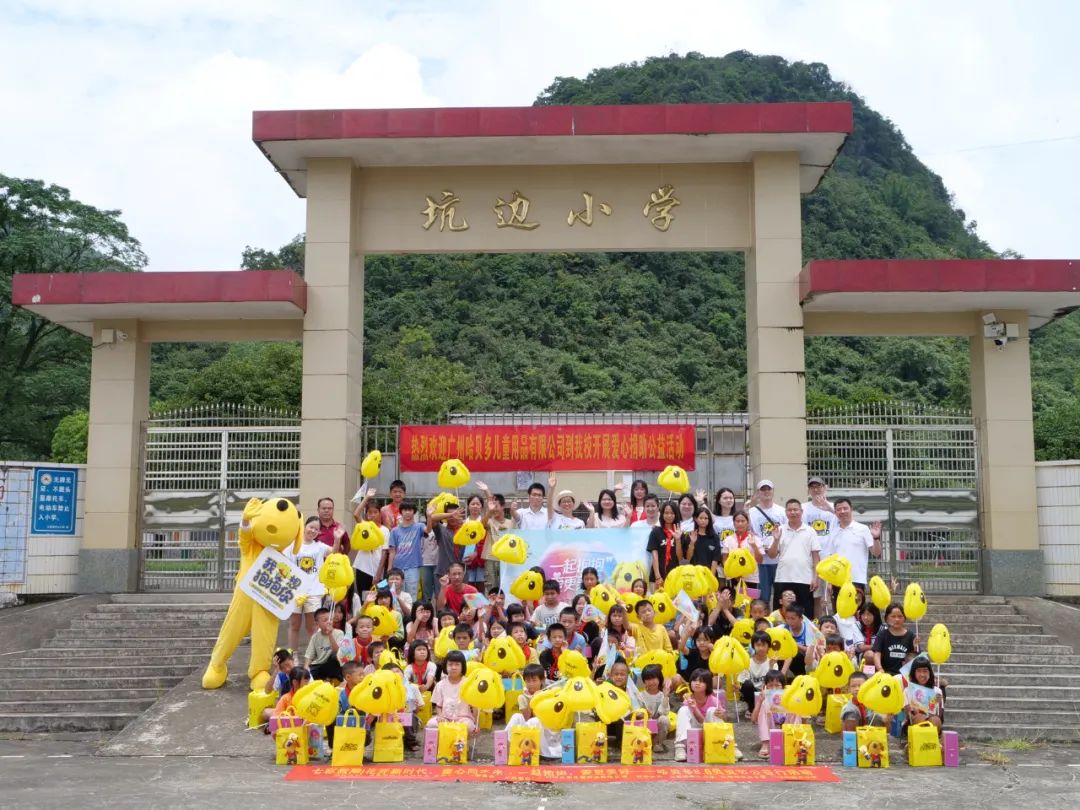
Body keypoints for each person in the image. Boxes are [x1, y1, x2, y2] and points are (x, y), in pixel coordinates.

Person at [766, 499, 821, 619]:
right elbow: (771, 555)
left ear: (801, 511)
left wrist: (815, 577)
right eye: (790, 510)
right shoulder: (779, 530)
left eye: (795, 509)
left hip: (804, 579)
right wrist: (775, 540)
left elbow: (816, 558)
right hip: (783, 578)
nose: (793, 512)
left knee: (805, 615)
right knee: (781, 615)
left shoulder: (810, 531)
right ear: (786, 513)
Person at [505, 662, 563, 759]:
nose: (531, 684)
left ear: (542, 680)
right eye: (528, 681)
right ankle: (506, 748)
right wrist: (531, 700)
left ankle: (542, 753)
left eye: (534, 680)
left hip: (546, 729)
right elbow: (526, 718)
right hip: (529, 727)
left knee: (536, 721)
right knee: (516, 716)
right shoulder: (522, 697)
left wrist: (539, 698)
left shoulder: (548, 694)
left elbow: (545, 717)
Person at [289, 516, 329, 653]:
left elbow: (334, 552)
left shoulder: (320, 547)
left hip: (314, 592)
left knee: (312, 627)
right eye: (311, 527)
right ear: (304, 526)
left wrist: (338, 538)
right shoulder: (293, 545)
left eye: (316, 529)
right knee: (294, 625)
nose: (313, 531)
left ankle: (312, 655)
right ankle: (293, 655)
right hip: (295, 592)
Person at [802, 478, 838, 618]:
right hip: (811, 559)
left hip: (830, 558)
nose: (816, 489)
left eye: (819, 486)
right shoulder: (804, 508)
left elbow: (845, 521)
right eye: (813, 487)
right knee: (816, 596)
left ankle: (833, 626)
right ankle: (818, 625)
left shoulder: (834, 507)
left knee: (830, 595)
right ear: (809, 490)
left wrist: (828, 508)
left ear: (825, 487)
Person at [831, 498, 882, 591]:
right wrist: (829, 582)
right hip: (837, 581)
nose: (842, 511)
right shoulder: (832, 532)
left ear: (851, 509)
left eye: (845, 508)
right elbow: (831, 558)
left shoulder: (863, 529)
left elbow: (876, 553)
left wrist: (876, 538)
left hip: (856, 580)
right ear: (835, 512)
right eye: (839, 509)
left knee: (857, 606)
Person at [746, 480, 785, 606]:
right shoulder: (751, 512)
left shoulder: (781, 511)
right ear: (758, 493)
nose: (766, 492)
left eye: (769, 489)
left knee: (780, 596)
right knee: (762, 597)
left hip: (778, 560)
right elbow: (748, 532)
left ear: (773, 491)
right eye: (763, 489)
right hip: (760, 560)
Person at [674, 668, 722, 762]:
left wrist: (720, 715)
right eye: (694, 680)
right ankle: (680, 747)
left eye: (701, 681)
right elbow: (697, 722)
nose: (697, 683)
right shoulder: (688, 699)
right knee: (683, 710)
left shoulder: (714, 700)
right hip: (692, 736)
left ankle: (726, 744)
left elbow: (704, 722)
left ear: (707, 684)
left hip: (709, 732)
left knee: (712, 710)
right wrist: (693, 707)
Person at [426, 650, 477, 733]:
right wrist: (440, 716)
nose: (453, 667)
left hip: (463, 718)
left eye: (457, 664)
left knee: (468, 726)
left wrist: (476, 722)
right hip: (446, 718)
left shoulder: (468, 684)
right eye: (450, 664)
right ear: (445, 666)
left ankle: (462, 744)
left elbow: (475, 706)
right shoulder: (440, 685)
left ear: (462, 666)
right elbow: (438, 706)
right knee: (431, 724)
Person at [385, 501, 425, 598]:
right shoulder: (395, 531)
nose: (407, 512)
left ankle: (411, 613)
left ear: (414, 512)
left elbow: (427, 530)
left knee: (412, 595)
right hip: (398, 567)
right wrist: (389, 568)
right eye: (405, 510)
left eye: (410, 510)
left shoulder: (419, 526)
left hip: (413, 567)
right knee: (397, 595)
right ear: (401, 512)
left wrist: (430, 516)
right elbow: (392, 551)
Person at [477, 482, 512, 592]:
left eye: (497, 506)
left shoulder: (511, 523)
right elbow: (481, 525)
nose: (494, 509)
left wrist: (487, 490)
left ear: (503, 506)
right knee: (491, 588)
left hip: (506, 560)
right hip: (491, 559)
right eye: (492, 506)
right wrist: (486, 491)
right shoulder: (490, 521)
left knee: (505, 587)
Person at [750, 669, 790, 758]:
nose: (774, 688)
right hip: (770, 734)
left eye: (777, 685)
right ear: (766, 687)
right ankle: (766, 743)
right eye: (770, 686)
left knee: (795, 707)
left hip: (787, 732)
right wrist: (760, 702)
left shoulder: (788, 697)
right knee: (764, 705)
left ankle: (793, 741)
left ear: (783, 687)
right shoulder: (763, 700)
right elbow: (753, 720)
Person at [720, 511, 764, 588]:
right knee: (735, 599)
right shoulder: (728, 539)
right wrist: (735, 575)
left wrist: (754, 546)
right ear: (734, 523)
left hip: (752, 579)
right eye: (737, 521)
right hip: (733, 578)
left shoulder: (756, 539)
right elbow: (724, 560)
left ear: (747, 522)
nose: (740, 524)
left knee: (752, 599)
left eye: (743, 521)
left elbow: (760, 560)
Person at [873, 603, 919, 674]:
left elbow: (916, 658)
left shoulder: (911, 635)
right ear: (886, 619)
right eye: (893, 616)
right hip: (886, 674)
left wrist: (916, 648)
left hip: (905, 675)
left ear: (904, 618)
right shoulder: (882, 634)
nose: (897, 619)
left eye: (900, 616)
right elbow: (877, 653)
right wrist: (880, 669)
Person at [779, 603, 822, 677]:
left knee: (797, 654)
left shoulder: (810, 629)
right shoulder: (782, 628)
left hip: (807, 661)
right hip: (788, 659)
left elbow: (812, 651)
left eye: (793, 618)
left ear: (801, 618)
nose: (789, 621)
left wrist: (795, 644)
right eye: (787, 618)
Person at [738, 631, 773, 718]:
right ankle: (751, 708)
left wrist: (771, 666)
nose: (760, 648)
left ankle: (761, 709)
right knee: (747, 685)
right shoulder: (747, 662)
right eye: (758, 645)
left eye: (763, 645)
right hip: (751, 692)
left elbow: (772, 683)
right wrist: (738, 688)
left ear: (768, 646)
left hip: (765, 692)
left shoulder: (772, 662)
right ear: (753, 646)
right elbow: (743, 682)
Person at [304, 607, 344, 682]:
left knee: (335, 656)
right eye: (325, 620)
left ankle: (329, 679)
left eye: (330, 619)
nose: (329, 622)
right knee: (304, 674)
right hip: (319, 665)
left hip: (333, 665)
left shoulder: (339, 633)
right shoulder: (315, 637)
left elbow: (338, 651)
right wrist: (306, 668)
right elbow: (309, 655)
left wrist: (330, 635)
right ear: (317, 624)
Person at [427, 503, 465, 582]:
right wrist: (451, 514)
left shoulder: (465, 531)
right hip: (444, 572)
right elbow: (432, 518)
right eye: (450, 516)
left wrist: (473, 554)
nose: (453, 518)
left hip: (461, 573)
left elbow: (473, 547)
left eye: (456, 515)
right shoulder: (441, 530)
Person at [647, 501, 681, 588]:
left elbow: (680, 557)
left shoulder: (679, 532)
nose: (669, 516)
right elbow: (654, 555)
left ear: (676, 514)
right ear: (662, 514)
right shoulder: (656, 531)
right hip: (657, 577)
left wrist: (678, 540)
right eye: (666, 513)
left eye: (672, 513)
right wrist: (658, 577)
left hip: (674, 577)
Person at [639, 663, 672, 752]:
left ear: (659, 678)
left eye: (653, 678)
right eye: (648, 679)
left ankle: (657, 743)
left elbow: (664, 712)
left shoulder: (662, 695)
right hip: (645, 727)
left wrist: (666, 696)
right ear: (644, 681)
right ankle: (644, 743)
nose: (651, 682)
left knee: (664, 719)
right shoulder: (640, 695)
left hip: (658, 728)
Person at [905, 657, 944, 731]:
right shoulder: (907, 691)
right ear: (914, 673)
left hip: (932, 722)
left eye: (925, 671)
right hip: (913, 725)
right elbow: (907, 718)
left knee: (935, 720)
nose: (922, 674)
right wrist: (909, 711)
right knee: (920, 718)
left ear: (930, 672)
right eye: (919, 671)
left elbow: (939, 717)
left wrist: (937, 704)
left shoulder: (937, 691)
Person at [684, 505, 722, 572]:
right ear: (696, 519)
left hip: (708, 574)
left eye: (706, 518)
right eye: (701, 518)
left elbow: (715, 560)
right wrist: (692, 543)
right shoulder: (690, 535)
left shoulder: (714, 537)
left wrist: (711, 577)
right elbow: (688, 559)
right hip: (693, 574)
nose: (703, 520)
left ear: (709, 520)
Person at [461, 494, 488, 585]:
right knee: (468, 585)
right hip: (466, 559)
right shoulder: (463, 524)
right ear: (468, 506)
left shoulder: (485, 523)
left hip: (481, 559)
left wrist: (477, 553)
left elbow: (487, 542)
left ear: (481, 507)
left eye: (478, 504)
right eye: (473, 504)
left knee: (481, 585)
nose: (475, 506)